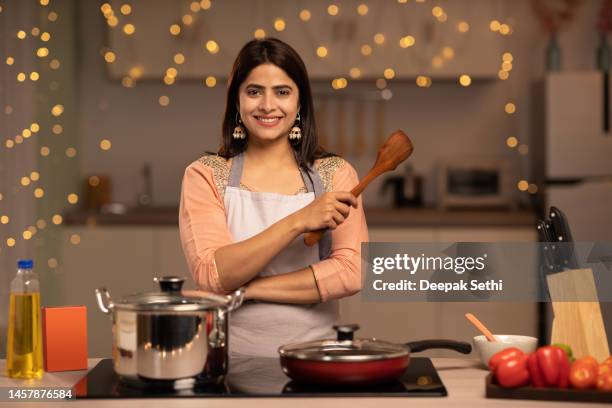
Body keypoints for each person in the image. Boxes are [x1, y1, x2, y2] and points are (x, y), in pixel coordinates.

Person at [179, 38, 368, 358]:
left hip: (315, 357)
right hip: (226, 358)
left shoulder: (335, 174)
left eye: (282, 91)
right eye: (254, 91)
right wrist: (298, 222)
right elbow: (213, 274)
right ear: (237, 101)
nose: (267, 105)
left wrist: (245, 292)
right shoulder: (205, 174)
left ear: (300, 104)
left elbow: (351, 273)